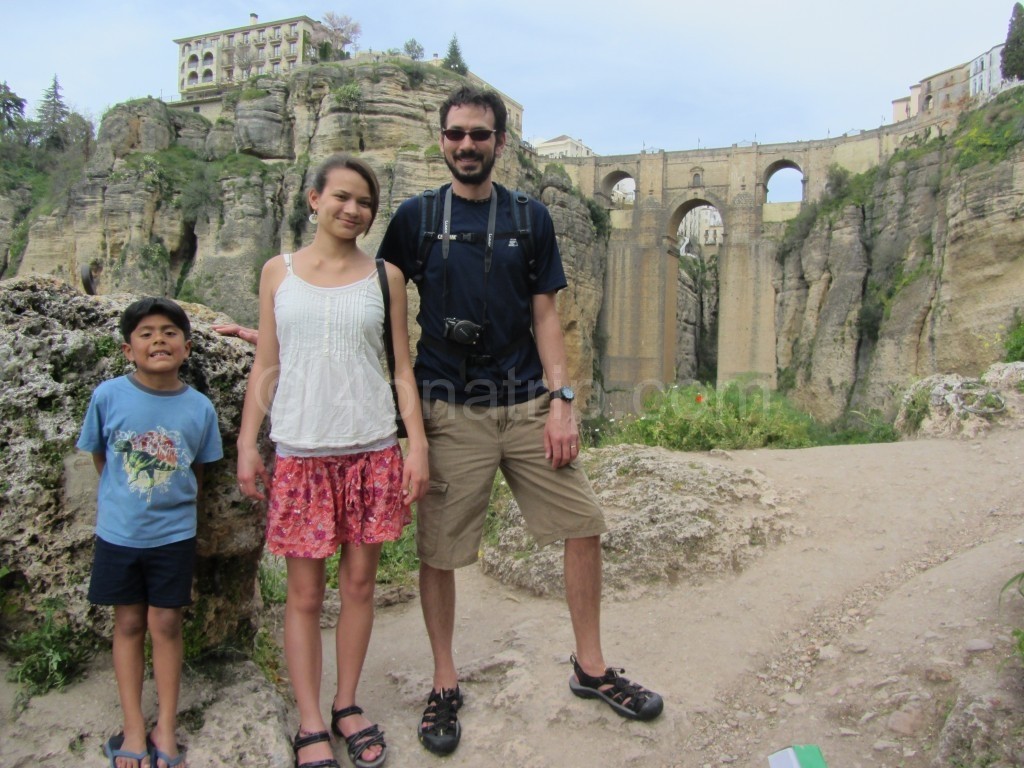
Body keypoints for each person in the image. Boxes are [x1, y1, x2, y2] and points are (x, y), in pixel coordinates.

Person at [377, 84, 664, 756]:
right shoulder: (415, 219)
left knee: (583, 524)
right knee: (438, 552)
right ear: (441, 139)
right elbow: (373, 307)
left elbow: (546, 317)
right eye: (456, 134)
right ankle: (445, 681)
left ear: (500, 143)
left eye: (480, 134)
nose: (467, 145)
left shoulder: (530, 217)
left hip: (530, 403)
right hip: (449, 409)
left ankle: (591, 668)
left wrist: (563, 405)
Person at [236, 154, 428, 768]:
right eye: (341, 197)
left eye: (364, 202)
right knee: (304, 595)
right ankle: (311, 720)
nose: (353, 210)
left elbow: (401, 366)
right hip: (300, 452)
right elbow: (268, 361)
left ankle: (347, 704)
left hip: (370, 447)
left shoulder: (386, 277)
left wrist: (415, 445)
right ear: (314, 199)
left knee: (360, 584)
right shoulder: (278, 272)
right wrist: (248, 441)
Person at [78, 297, 224, 768]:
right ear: (128, 350)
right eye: (145, 333)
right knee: (128, 624)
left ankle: (164, 723)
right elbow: (101, 459)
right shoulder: (108, 396)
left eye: (168, 332)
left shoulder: (199, 407)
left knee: (166, 624)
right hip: (119, 535)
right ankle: (134, 727)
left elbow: (199, 471)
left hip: (173, 537)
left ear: (186, 347)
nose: (158, 339)